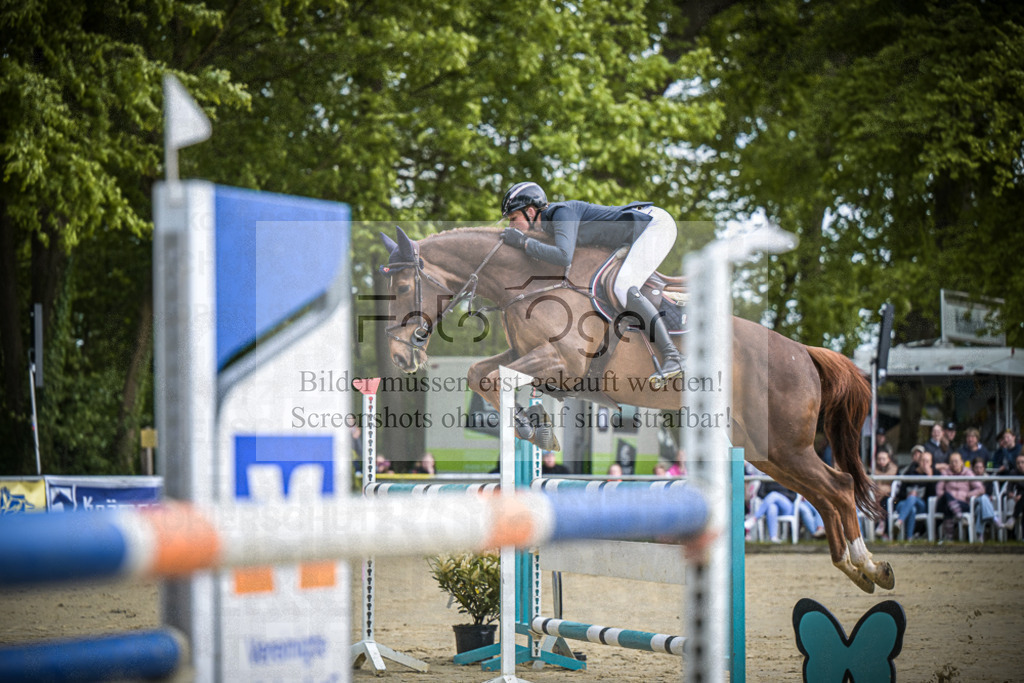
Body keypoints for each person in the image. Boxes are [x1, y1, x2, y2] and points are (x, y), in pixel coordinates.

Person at [500, 181, 683, 382]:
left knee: (622, 287)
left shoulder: (561, 213)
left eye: (513, 218)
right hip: (637, 231)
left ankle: (673, 356)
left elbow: (563, 256)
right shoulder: (549, 226)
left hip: (655, 225)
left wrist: (523, 242)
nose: (511, 225)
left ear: (531, 212)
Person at [936, 452, 999, 539]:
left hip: (963, 503)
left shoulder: (968, 473)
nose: (954, 464)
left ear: (962, 462)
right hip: (947, 501)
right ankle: (956, 512)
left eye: (956, 461)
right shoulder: (945, 473)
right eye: (951, 462)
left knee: (948, 506)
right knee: (947, 496)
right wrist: (947, 498)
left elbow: (981, 489)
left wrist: (969, 494)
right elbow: (939, 490)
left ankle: (949, 537)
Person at [745, 477, 825, 543]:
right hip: (772, 504)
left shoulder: (787, 477)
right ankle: (773, 538)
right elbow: (760, 493)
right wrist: (771, 499)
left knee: (774, 495)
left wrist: (780, 496)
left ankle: (754, 518)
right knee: (772, 507)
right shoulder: (767, 477)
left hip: (787, 506)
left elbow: (793, 496)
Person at [893, 448, 937, 539]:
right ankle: (909, 538)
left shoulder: (933, 474)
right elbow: (900, 493)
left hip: (921, 505)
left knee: (913, 498)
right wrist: (908, 495)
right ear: (919, 461)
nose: (925, 463)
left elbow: (933, 495)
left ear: (931, 463)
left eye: (927, 461)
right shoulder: (909, 473)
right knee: (912, 509)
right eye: (923, 461)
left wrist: (930, 478)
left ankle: (899, 522)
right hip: (904, 503)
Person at [872, 448, 899, 536]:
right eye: (879, 459)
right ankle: (878, 527)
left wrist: (882, 489)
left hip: (891, 498)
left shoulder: (895, 470)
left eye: (883, 459)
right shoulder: (872, 470)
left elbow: (895, 487)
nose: (881, 461)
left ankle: (885, 530)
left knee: (887, 504)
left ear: (888, 459)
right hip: (875, 496)